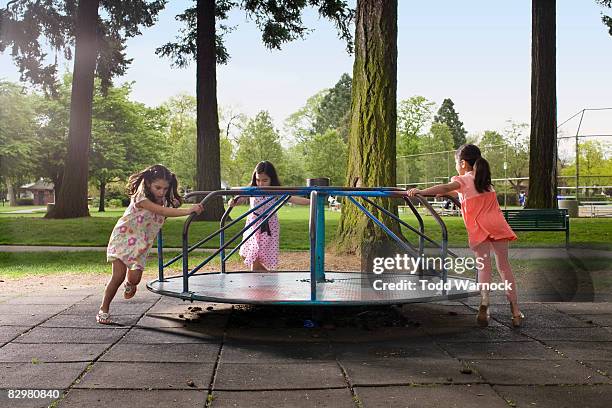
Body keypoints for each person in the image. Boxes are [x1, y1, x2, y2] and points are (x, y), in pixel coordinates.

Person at [406, 144, 524, 328]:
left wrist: (421, 191)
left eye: (456, 162)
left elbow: (449, 186)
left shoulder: (462, 180)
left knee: (484, 266)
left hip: (479, 228)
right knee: (504, 267)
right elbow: (459, 191)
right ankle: (515, 311)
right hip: (498, 225)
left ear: (462, 163)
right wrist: (445, 193)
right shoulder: (484, 180)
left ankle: (485, 301)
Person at [97, 164, 204, 324]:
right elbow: (163, 212)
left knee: (135, 279)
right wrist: (189, 210)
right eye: (158, 187)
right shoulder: (141, 198)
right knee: (117, 276)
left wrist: (181, 202)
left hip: (141, 244)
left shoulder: (163, 198)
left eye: (165, 188)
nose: (161, 192)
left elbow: (173, 204)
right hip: (123, 238)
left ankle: (130, 283)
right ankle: (103, 309)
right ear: (148, 183)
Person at [229, 161, 309, 271]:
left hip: (269, 225)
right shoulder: (252, 189)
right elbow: (240, 198)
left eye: (265, 180)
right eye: (258, 180)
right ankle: (267, 279)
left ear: (272, 179)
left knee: (256, 257)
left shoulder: (275, 191)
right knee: (245, 253)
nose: (261, 184)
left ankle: (260, 284)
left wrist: (311, 201)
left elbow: (292, 198)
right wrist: (233, 202)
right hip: (253, 223)